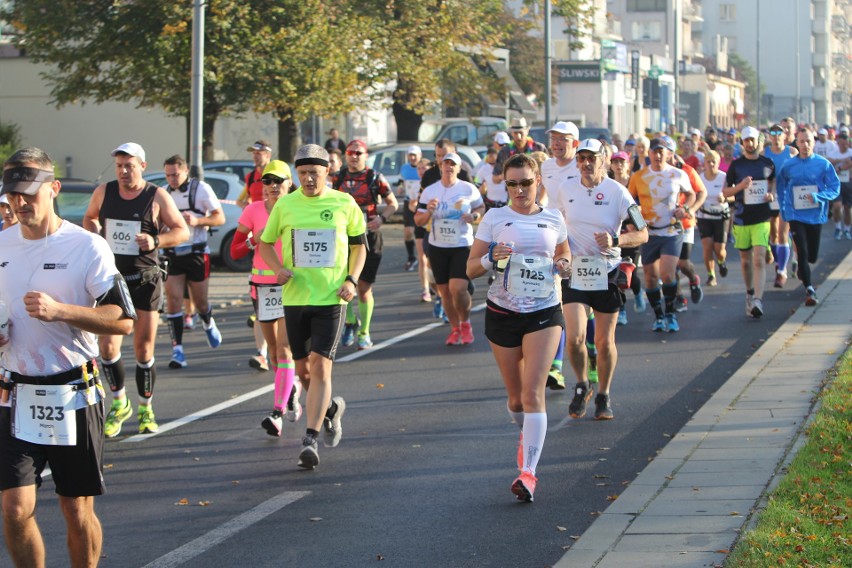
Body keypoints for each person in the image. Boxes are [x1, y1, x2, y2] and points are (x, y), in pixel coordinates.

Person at [0, 147, 135, 567]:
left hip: (71, 393)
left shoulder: (87, 247)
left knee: (76, 511)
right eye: (12, 195)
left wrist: (61, 311)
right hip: (14, 393)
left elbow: (122, 318)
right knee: (15, 510)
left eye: (28, 193)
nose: (19, 203)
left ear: (53, 189)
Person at [466, 153, 569, 502]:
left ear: (538, 180)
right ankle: (526, 437)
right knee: (515, 398)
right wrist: (489, 256)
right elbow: (470, 269)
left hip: (544, 310)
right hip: (503, 311)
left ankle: (529, 473)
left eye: (526, 182)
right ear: (505, 185)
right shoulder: (494, 218)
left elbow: (563, 253)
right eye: (513, 184)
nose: (520, 190)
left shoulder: (554, 217)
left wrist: (564, 264)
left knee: (533, 393)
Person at [258, 144, 366, 469]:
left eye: (313, 173)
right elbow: (265, 243)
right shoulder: (286, 205)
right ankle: (330, 409)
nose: (307, 179)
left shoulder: (344, 202)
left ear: (326, 173)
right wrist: (277, 268)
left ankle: (310, 438)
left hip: (331, 298)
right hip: (295, 298)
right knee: (303, 371)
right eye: (302, 173)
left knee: (321, 367)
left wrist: (352, 280)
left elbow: (360, 246)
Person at [82, 143, 189, 437]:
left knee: (143, 349)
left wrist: (156, 242)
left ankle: (146, 409)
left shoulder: (156, 196)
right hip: (112, 280)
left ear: (142, 165)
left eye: (129, 166)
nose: (123, 171)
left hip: (145, 279)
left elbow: (182, 230)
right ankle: (120, 404)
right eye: (119, 166)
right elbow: (90, 217)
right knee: (107, 348)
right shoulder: (104, 192)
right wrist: (96, 234)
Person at [552, 139, 649, 420]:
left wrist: (616, 239)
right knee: (575, 338)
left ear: (603, 160)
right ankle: (582, 385)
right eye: (581, 158)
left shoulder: (618, 193)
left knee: (605, 342)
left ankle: (604, 394)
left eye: (591, 158)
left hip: (606, 271)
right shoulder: (565, 189)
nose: (585, 163)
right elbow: (555, 225)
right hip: (576, 272)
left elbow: (642, 233)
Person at [231, 160, 301, 436]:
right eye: (267, 182)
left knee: (284, 349)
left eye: (278, 182)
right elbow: (235, 252)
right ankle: (290, 388)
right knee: (273, 352)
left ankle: (277, 412)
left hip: (291, 285)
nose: (272, 187)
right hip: (261, 287)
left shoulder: (298, 207)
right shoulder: (253, 210)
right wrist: (253, 239)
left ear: (288, 184)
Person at [161, 155, 225, 369]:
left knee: (201, 302)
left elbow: (220, 217)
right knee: (173, 299)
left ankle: (207, 320)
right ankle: (177, 350)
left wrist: (198, 221)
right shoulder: (164, 193)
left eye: (175, 174)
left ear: (186, 170)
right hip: (172, 253)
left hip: (197, 253)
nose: (171, 179)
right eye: (168, 175)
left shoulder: (201, 189)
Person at [332, 140, 398, 349]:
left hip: (369, 237)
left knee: (363, 288)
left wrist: (381, 219)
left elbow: (392, 204)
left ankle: (364, 332)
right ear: (345, 155)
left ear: (365, 155)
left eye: (358, 153)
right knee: (343, 282)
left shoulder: (374, 177)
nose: (354, 156)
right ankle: (350, 321)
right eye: (350, 152)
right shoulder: (338, 177)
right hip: (343, 238)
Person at [415, 152, 485, 345]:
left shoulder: (468, 189)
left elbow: (481, 208)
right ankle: (455, 329)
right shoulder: (430, 191)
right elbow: (418, 220)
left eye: (453, 164)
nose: (449, 167)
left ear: (458, 168)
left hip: (462, 244)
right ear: (440, 167)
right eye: (446, 164)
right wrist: (429, 211)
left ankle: (466, 323)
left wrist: (475, 217)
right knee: (444, 291)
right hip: (438, 246)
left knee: (458, 288)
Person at [628, 136, 695, 333]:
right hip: (649, 233)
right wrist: (634, 221)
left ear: (668, 154)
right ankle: (658, 316)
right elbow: (629, 202)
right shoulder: (638, 177)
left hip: (672, 230)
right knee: (650, 277)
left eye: (661, 152)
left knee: (667, 273)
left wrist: (685, 208)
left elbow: (691, 194)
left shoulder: (678, 174)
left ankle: (670, 313)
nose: (658, 155)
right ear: (648, 154)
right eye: (654, 151)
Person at [776, 129, 841, 306]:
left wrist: (819, 197)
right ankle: (810, 289)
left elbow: (835, 188)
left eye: (808, 142)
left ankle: (804, 270)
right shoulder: (788, 166)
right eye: (802, 142)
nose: (805, 145)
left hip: (815, 215)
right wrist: (784, 209)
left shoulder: (823, 164)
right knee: (802, 251)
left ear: (814, 143)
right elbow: (781, 187)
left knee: (811, 256)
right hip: (796, 215)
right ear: (796, 143)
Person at [722, 127, 777, 318]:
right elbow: (725, 192)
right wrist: (741, 186)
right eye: (746, 140)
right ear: (742, 142)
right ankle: (750, 293)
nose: (749, 144)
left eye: (752, 140)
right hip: (741, 219)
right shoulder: (737, 166)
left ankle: (758, 301)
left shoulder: (767, 163)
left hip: (762, 217)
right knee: (745, 261)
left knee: (758, 258)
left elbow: (773, 183)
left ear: (758, 141)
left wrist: (772, 194)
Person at [764, 123, 797, 287]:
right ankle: (779, 262)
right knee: (773, 234)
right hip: (770, 195)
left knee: (784, 233)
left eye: (779, 132)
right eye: (773, 132)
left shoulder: (792, 152)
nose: (776, 135)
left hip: (786, 196)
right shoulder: (765, 153)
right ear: (769, 136)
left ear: (784, 135)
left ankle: (782, 271)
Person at [696, 150, 730, 286]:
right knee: (707, 247)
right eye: (708, 161)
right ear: (704, 163)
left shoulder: (724, 177)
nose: (710, 164)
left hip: (721, 215)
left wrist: (725, 197)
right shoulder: (700, 177)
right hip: (704, 215)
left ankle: (721, 262)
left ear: (718, 163)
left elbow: (733, 194)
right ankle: (711, 275)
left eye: (713, 162)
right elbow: (696, 194)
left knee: (719, 250)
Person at [491, 116, 547, 186]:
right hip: (514, 193)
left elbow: (549, 172)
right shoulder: (505, 151)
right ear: (511, 133)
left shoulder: (539, 148)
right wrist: (502, 176)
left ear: (527, 131)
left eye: (521, 133)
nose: (518, 136)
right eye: (515, 133)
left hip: (537, 192)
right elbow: (494, 179)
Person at [539, 121, 580, 206]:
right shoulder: (546, 166)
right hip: (551, 218)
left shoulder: (582, 167)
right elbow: (544, 192)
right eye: (553, 138)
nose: (556, 143)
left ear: (575, 143)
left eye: (562, 139)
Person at [399, 145, 422, 272]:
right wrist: (401, 187)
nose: (412, 158)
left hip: (421, 203)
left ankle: (426, 256)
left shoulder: (423, 168)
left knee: (422, 232)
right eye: (410, 155)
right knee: (408, 232)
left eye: (415, 155)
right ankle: (411, 257)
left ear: (420, 155)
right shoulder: (404, 168)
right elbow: (402, 181)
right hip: (409, 202)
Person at [827, 132, 852, 240]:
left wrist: (839, 167)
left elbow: (849, 164)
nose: (843, 146)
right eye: (841, 144)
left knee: (847, 209)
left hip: (849, 183)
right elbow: (829, 162)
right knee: (837, 207)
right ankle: (838, 228)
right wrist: (841, 161)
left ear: (848, 143)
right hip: (836, 183)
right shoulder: (833, 153)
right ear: (838, 143)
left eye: (845, 144)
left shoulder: (851, 152)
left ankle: (846, 229)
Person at [237, 140, 273, 208]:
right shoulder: (250, 177)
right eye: (254, 153)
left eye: (258, 154)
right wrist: (250, 209)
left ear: (268, 155)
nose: (255, 157)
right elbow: (239, 201)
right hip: (257, 217)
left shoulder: (277, 175)